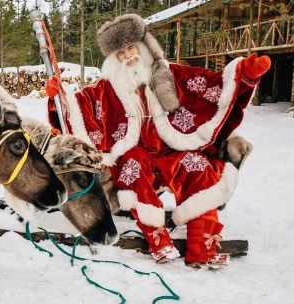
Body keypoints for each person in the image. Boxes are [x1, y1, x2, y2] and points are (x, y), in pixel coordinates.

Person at [46, 14, 270, 268]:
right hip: (134, 153)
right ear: (113, 59)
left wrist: (244, 74)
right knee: (133, 170)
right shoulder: (106, 88)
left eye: (131, 48)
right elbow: (80, 107)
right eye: (121, 53)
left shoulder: (170, 74)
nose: (128, 56)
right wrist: (60, 99)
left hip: (171, 148)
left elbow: (210, 86)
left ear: (142, 46)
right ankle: (158, 240)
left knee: (198, 168)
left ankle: (202, 246)